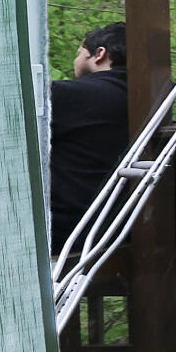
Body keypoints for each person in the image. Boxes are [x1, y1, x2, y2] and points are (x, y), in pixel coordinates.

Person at [49, 20, 134, 250]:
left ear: (99, 54)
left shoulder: (66, 96)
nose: (75, 60)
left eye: (79, 53)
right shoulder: (148, 99)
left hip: (65, 231)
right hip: (123, 228)